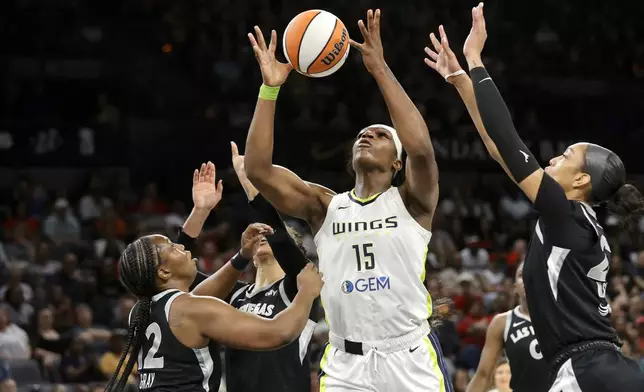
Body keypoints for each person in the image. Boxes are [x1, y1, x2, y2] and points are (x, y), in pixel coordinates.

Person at [424, 3, 644, 390]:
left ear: (581, 182)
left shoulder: (567, 214)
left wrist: (475, 59)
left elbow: (508, 140)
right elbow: (498, 148)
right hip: (602, 367)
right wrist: (460, 80)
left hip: (586, 370)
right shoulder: (575, 221)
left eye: (567, 156)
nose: (554, 157)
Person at [244, 9, 452, 392]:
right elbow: (257, 170)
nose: (367, 135)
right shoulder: (324, 207)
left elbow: (421, 148)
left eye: (380, 134)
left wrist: (379, 70)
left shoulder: (412, 202)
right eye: (362, 133)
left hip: (409, 358)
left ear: (396, 164)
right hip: (345, 365)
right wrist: (270, 88)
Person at [104, 166, 324, 392]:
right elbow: (278, 333)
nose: (180, 246)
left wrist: (205, 214)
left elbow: (174, 273)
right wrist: (308, 293)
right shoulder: (209, 302)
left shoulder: (145, 308)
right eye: (172, 246)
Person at [223, 141, 318, 392]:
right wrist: (201, 210)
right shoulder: (235, 294)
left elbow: (281, 241)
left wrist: (250, 184)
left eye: (273, 234)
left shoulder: (300, 286)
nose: (264, 233)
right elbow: (185, 279)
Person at [461, 263, 549, 392]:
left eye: (533, 272)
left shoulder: (562, 318)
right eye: (521, 275)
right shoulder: (502, 322)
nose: (527, 277)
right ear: (515, 288)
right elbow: (483, 375)